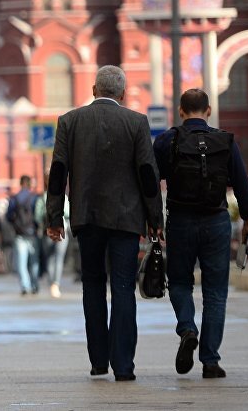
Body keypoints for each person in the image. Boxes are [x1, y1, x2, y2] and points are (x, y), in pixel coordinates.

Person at [45, 65, 163, 382]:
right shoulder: (136, 122)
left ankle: (99, 361)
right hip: (126, 219)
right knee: (123, 287)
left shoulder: (69, 121)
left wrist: (54, 217)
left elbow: (58, 172)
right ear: (122, 94)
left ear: (95, 90)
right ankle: (123, 366)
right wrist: (156, 219)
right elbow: (148, 175)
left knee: (93, 286)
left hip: (87, 217)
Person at [153, 89, 248, 379]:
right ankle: (210, 360)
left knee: (180, 283)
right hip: (216, 222)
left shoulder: (166, 140)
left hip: (181, 221)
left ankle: (187, 328)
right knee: (215, 293)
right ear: (208, 111)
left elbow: (149, 181)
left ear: (180, 111)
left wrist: (153, 221)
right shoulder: (225, 140)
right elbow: (241, 183)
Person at [7, 175, 40, 296]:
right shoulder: (35, 198)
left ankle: (25, 286)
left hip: (19, 233)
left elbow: (8, 216)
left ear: (20, 183)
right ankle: (35, 284)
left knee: (21, 262)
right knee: (34, 261)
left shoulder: (14, 199)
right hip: (32, 233)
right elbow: (39, 215)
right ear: (30, 184)